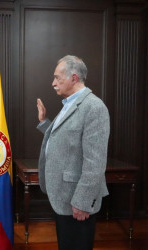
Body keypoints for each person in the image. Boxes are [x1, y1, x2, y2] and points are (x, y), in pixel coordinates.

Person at [36, 55, 110, 250]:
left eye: (57, 78)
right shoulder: (69, 103)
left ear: (74, 78)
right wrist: (45, 123)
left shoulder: (94, 107)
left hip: (77, 200)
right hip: (64, 197)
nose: (53, 83)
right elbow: (67, 140)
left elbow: (95, 162)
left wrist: (83, 202)